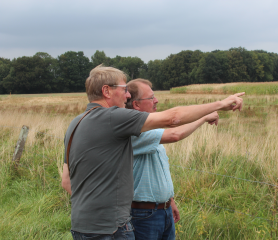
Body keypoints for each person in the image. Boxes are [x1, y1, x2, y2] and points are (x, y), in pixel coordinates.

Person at [61, 65, 245, 240]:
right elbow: (173, 119)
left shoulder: (75, 124)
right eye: (124, 89)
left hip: (83, 225)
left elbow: (66, 180)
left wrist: (93, 208)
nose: (127, 96)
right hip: (110, 229)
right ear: (106, 91)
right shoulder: (112, 117)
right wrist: (220, 104)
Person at [125, 79, 220, 240]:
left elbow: (156, 170)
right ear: (136, 105)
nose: (156, 101)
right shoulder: (133, 131)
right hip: (144, 214)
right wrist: (203, 117)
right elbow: (175, 135)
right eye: (151, 98)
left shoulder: (149, 129)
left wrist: (169, 202)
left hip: (162, 210)